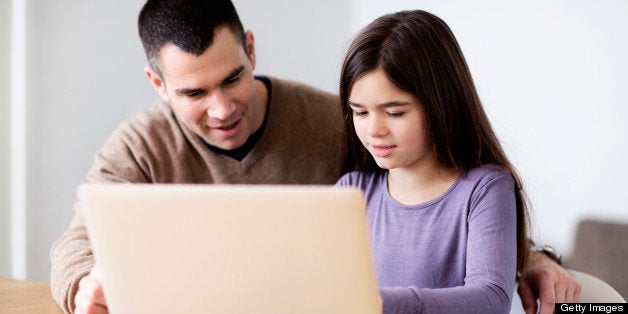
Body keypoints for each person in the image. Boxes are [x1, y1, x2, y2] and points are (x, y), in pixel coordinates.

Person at [49, 1, 579, 314]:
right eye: (194, 94)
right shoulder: (138, 146)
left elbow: (461, 227)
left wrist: (530, 257)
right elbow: (77, 241)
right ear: (158, 86)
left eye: (233, 78)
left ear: (251, 49)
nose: (222, 107)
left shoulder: (338, 122)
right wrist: (85, 285)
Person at [334, 10, 579, 314]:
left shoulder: (485, 189)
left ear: (440, 105)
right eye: (360, 112)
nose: (374, 130)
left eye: (395, 113)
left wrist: (381, 303)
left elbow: (490, 298)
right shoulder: (350, 192)